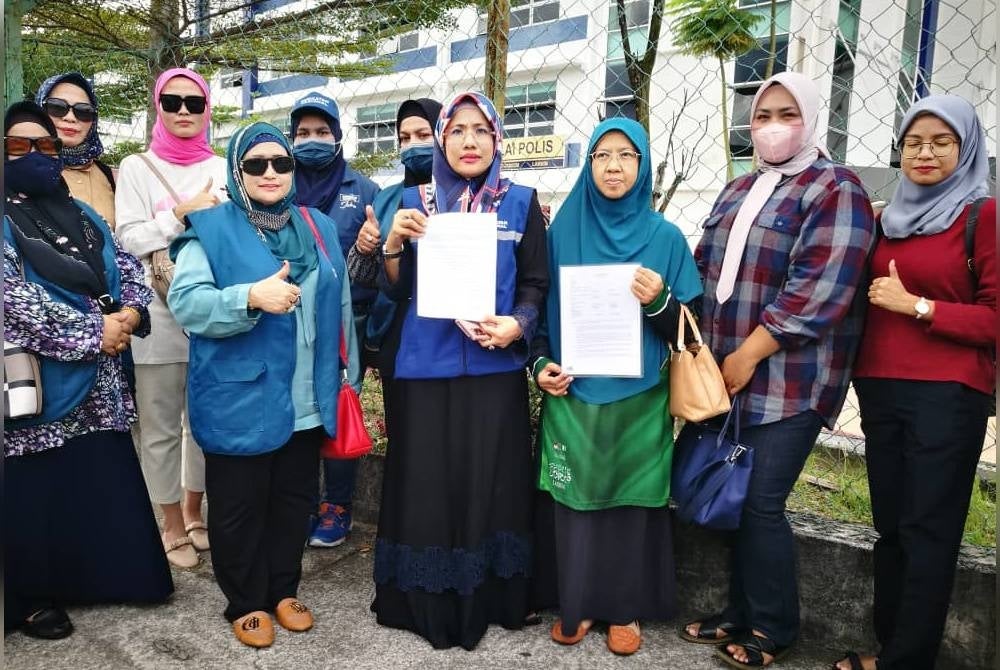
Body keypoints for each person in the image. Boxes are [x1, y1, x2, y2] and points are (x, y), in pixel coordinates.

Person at [679, 72, 875, 668]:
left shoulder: (836, 188)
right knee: (730, 494)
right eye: (762, 115)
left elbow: (819, 291)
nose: (772, 126)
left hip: (789, 381)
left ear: (811, 118)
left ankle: (772, 626)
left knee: (762, 500)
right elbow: (703, 270)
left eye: (787, 114)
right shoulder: (740, 190)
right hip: (723, 376)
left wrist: (746, 354)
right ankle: (739, 612)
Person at [167, 122, 359, 648]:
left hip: (306, 397)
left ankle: (282, 589)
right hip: (241, 396)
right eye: (256, 164)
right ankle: (246, 601)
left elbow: (340, 307)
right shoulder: (212, 229)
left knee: (293, 501)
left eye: (282, 163)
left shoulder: (315, 225)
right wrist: (248, 297)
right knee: (238, 506)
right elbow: (186, 303)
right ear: (237, 171)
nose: (271, 173)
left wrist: (350, 377)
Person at [371, 91, 549, 650]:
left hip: (494, 369)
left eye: (481, 131)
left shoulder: (520, 202)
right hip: (426, 366)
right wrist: (394, 245)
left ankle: (491, 594)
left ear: (497, 140)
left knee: (490, 479)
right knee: (428, 481)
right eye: (458, 130)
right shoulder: (415, 200)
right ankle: (428, 597)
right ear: (442, 139)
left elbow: (535, 283)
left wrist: (518, 325)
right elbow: (396, 288)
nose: (469, 141)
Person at [833, 96, 996, 670]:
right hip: (881, 390)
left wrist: (920, 306)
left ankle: (906, 660)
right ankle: (890, 649)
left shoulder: (982, 216)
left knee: (929, 531)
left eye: (941, 142)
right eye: (914, 142)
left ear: (966, 147)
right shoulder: (886, 218)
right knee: (891, 528)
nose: (924, 153)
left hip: (948, 395)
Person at [530, 118, 702, 655]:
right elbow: (535, 313)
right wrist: (538, 365)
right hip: (572, 392)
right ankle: (576, 605)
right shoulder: (561, 235)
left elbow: (691, 334)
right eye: (602, 154)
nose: (613, 166)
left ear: (642, 164)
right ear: (589, 164)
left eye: (627, 155)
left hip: (639, 397)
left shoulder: (665, 239)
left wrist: (660, 303)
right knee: (574, 503)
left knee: (631, 504)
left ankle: (624, 611)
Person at [3, 101, 173, 640]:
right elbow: (12, 299)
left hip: (98, 385)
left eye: (46, 146)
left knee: (96, 478)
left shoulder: (83, 214)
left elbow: (128, 268)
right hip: (35, 375)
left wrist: (130, 313)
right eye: (18, 145)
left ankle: (103, 578)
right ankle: (31, 597)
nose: (34, 155)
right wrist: (93, 333)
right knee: (37, 492)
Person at [116, 68, 227, 569]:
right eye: (172, 101)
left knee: (203, 422)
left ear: (208, 109)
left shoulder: (224, 166)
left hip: (211, 314)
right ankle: (170, 523)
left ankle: (194, 508)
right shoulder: (136, 166)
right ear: (158, 106)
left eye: (194, 102)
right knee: (160, 425)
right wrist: (182, 213)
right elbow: (131, 239)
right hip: (157, 315)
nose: (184, 111)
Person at [288, 91, 380, 549]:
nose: (313, 140)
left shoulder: (362, 191)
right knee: (300, 412)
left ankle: (337, 505)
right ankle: (301, 502)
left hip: (349, 323)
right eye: (303, 133)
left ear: (339, 137)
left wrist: (370, 246)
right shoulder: (277, 187)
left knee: (340, 406)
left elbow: (381, 263)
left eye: (322, 132)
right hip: (290, 320)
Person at [347, 97, 442, 448]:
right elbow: (362, 276)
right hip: (396, 338)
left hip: (453, 336)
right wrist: (364, 247)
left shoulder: (466, 195)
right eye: (404, 138)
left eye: (423, 134)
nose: (413, 145)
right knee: (406, 440)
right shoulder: (387, 199)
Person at [35, 72, 117, 229]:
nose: (70, 118)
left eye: (83, 111)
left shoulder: (110, 178)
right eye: (57, 107)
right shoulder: (19, 168)